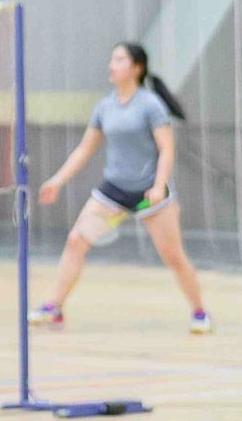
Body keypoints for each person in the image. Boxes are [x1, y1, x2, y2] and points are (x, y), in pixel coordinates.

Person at [34, 41, 211, 333]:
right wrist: (57, 180)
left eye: (119, 60)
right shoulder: (105, 106)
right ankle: (55, 308)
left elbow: (167, 150)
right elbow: (84, 149)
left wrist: (159, 186)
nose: (111, 65)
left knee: (173, 256)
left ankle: (200, 312)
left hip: (149, 196)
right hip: (113, 194)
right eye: (112, 59)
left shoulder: (150, 105)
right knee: (76, 240)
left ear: (136, 68)